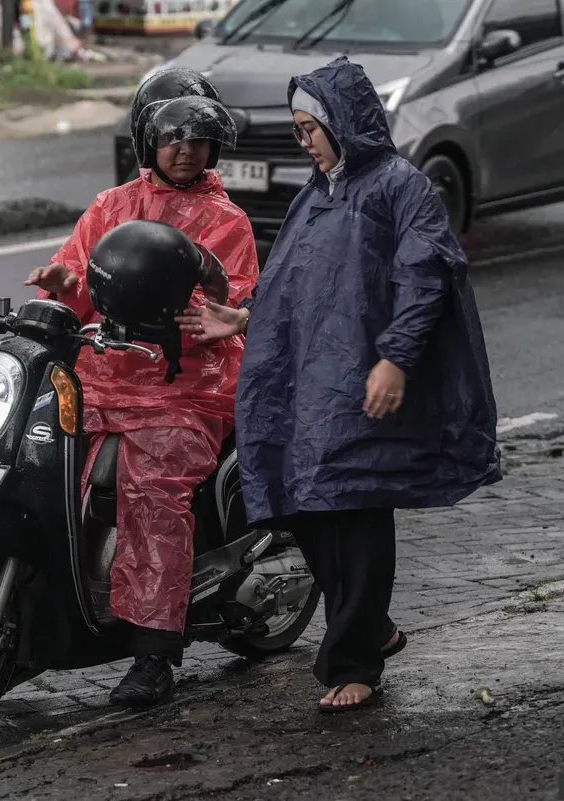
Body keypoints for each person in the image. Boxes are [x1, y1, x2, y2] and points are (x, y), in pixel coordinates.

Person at [177, 57, 500, 712]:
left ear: (344, 123)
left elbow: (428, 273)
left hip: (363, 380)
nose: (303, 141)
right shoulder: (316, 193)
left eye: (310, 128)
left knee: (353, 506)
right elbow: (294, 283)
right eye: (296, 129)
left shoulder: (398, 188)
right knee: (300, 500)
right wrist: (240, 317)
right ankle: (372, 625)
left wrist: (395, 359)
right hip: (309, 385)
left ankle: (354, 659)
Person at [25, 69, 260, 709]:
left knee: (150, 491)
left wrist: (212, 311)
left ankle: (156, 652)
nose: (185, 148)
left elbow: (227, 297)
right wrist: (60, 283)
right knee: (38, 467)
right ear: (145, 139)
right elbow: (82, 278)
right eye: (171, 136)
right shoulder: (109, 207)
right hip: (100, 375)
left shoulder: (226, 220)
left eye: (198, 137)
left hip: (184, 386)